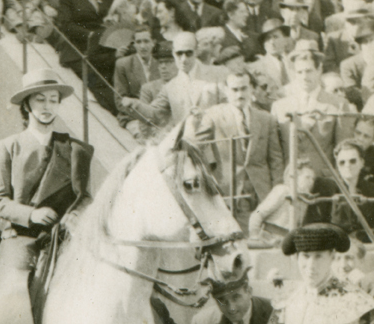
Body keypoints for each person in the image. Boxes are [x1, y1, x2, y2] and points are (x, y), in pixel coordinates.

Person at [0, 68, 93, 324]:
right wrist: (30, 214)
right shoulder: (9, 146)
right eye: (39, 99)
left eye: (53, 100)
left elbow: (84, 197)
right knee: (12, 283)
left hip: (64, 235)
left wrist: (71, 218)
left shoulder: (75, 149)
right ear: (26, 105)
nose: (47, 106)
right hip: (22, 236)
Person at [195, 70, 284, 235]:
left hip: (261, 193)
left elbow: (275, 159)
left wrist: (277, 193)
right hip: (228, 192)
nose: (240, 94)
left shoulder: (266, 119)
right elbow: (197, 146)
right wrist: (211, 173)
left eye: (244, 89)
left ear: (252, 89)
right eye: (235, 90)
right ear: (226, 91)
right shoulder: (213, 115)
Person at [271, 40, 353, 180]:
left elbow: (343, 150)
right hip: (291, 180)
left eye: (308, 71)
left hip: (324, 181)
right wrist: (279, 180)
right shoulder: (280, 106)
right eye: (299, 72)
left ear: (319, 69)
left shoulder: (338, 104)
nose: (304, 77)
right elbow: (275, 152)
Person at [124, 31, 225, 130]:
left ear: (197, 51)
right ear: (173, 53)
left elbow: (232, 106)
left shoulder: (218, 73)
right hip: (186, 144)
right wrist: (136, 105)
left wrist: (208, 116)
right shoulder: (170, 87)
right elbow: (155, 114)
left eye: (188, 53)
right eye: (179, 54)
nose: (183, 59)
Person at [57, 0, 117, 114]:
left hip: (100, 50)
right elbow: (65, 25)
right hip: (78, 51)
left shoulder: (103, 0)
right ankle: (121, 112)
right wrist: (90, 35)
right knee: (98, 81)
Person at [304, 139, 374, 242]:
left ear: (362, 162)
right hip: (335, 245)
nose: (347, 165)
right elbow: (314, 225)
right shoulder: (325, 186)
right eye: (342, 162)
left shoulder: (371, 189)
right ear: (337, 165)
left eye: (352, 161)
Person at [113, 26, 160, 128]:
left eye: (146, 41)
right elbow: (120, 101)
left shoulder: (160, 66)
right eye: (138, 42)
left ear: (153, 42)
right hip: (133, 118)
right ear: (134, 44)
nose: (143, 46)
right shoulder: (123, 64)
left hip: (157, 118)